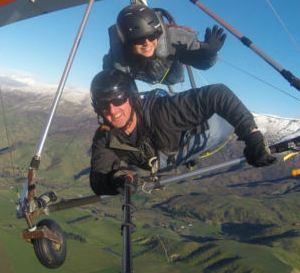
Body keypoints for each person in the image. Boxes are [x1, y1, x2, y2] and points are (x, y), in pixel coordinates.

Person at [88, 69, 276, 196]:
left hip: (215, 128)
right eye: (105, 104)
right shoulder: (105, 138)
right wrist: (115, 182)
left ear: (132, 98)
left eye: (119, 99)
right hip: (173, 152)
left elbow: (218, 93)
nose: (113, 110)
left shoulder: (163, 113)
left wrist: (251, 134)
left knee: (213, 124)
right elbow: (98, 179)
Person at [103, 3, 226, 86]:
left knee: (180, 63)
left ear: (158, 32)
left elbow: (205, 63)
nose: (147, 43)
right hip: (144, 74)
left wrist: (208, 53)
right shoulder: (119, 55)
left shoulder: (174, 38)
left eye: (152, 36)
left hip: (172, 75)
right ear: (127, 42)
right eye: (138, 39)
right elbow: (109, 78)